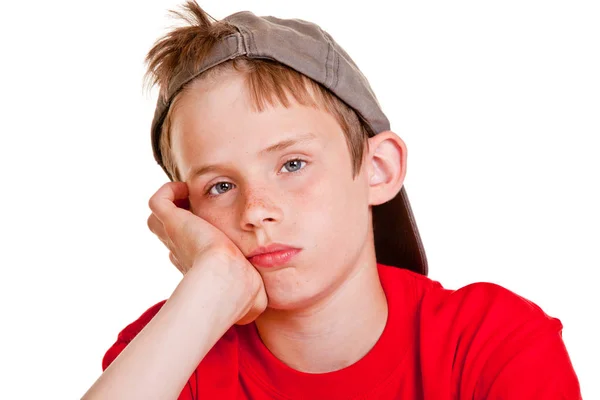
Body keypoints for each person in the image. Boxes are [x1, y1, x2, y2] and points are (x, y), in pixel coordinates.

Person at [82, 1, 582, 399]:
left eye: (293, 164)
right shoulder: (169, 353)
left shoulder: (493, 343)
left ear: (377, 170)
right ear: (186, 214)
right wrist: (210, 280)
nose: (256, 210)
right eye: (220, 186)